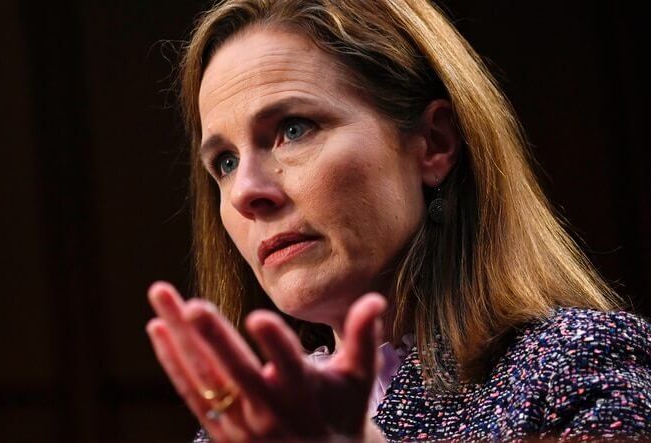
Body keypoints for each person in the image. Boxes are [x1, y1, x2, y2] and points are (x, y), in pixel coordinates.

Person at [145, 0, 651, 441]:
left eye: (293, 129)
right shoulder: (245, 431)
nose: (246, 193)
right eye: (225, 163)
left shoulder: (576, 365)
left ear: (434, 144)